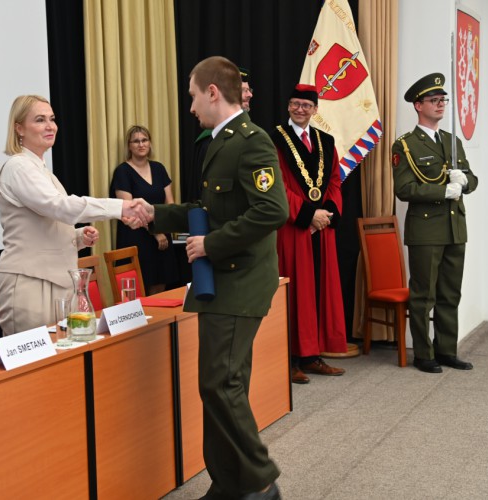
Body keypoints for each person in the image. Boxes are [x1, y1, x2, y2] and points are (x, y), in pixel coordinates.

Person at [145, 56, 288, 500]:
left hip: (240, 280)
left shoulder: (251, 140)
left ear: (212, 92)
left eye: (192, 97)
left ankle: (261, 479)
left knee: (219, 383)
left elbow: (272, 210)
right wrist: (153, 214)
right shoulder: (220, 141)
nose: (190, 108)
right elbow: (207, 210)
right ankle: (228, 483)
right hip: (222, 282)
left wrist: (212, 244)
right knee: (222, 385)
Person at [0, 95, 149, 335]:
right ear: (19, 128)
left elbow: (47, 222)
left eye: (52, 119)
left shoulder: (41, 171)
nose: (50, 126)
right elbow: (60, 207)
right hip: (29, 283)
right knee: (40, 358)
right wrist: (120, 208)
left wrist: (77, 237)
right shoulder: (18, 166)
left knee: (63, 354)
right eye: (40, 120)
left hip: (55, 280)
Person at [392, 73, 478, 373]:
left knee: (450, 294)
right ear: (418, 105)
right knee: (423, 295)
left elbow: (473, 180)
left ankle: (446, 350)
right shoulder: (405, 145)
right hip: (426, 230)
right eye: (434, 100)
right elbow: (404, 189)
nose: (440, 104)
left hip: (455, 228)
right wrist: (443, 191)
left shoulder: (452, 142)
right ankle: (423, 353)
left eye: (443, 100)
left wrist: (464, 182)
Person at [267, 84, 347, 385]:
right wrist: (306, 215)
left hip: (321, 228)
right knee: (294, 291)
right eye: (295, 104)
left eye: (306, 105)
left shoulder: (326, 141)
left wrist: (326, 214)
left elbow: (335, 181)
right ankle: (288, 358)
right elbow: (275, 185)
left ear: (315, 109)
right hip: (292, 227)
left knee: (318, 290)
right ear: (288, 106)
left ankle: (312, 356)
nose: (300, 109)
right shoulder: (274, 140)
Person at [110, 125, 178, 295]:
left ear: (150, 143)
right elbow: (129, 211)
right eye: (136, 141)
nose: (141, 144)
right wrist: (155, 232)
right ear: (129, 146)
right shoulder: (122, 172)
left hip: (162, 236)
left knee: (160, 288)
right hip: (136, 236)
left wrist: (163, 229)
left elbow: (170, 204)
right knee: (136, 291)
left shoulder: (159, 168)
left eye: (144, 140)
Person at [185, 67, 252, 203]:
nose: (249, 95)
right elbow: (201, 193)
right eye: (244, 90)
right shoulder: (208, 140)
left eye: (249, 90)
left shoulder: (252, 136)